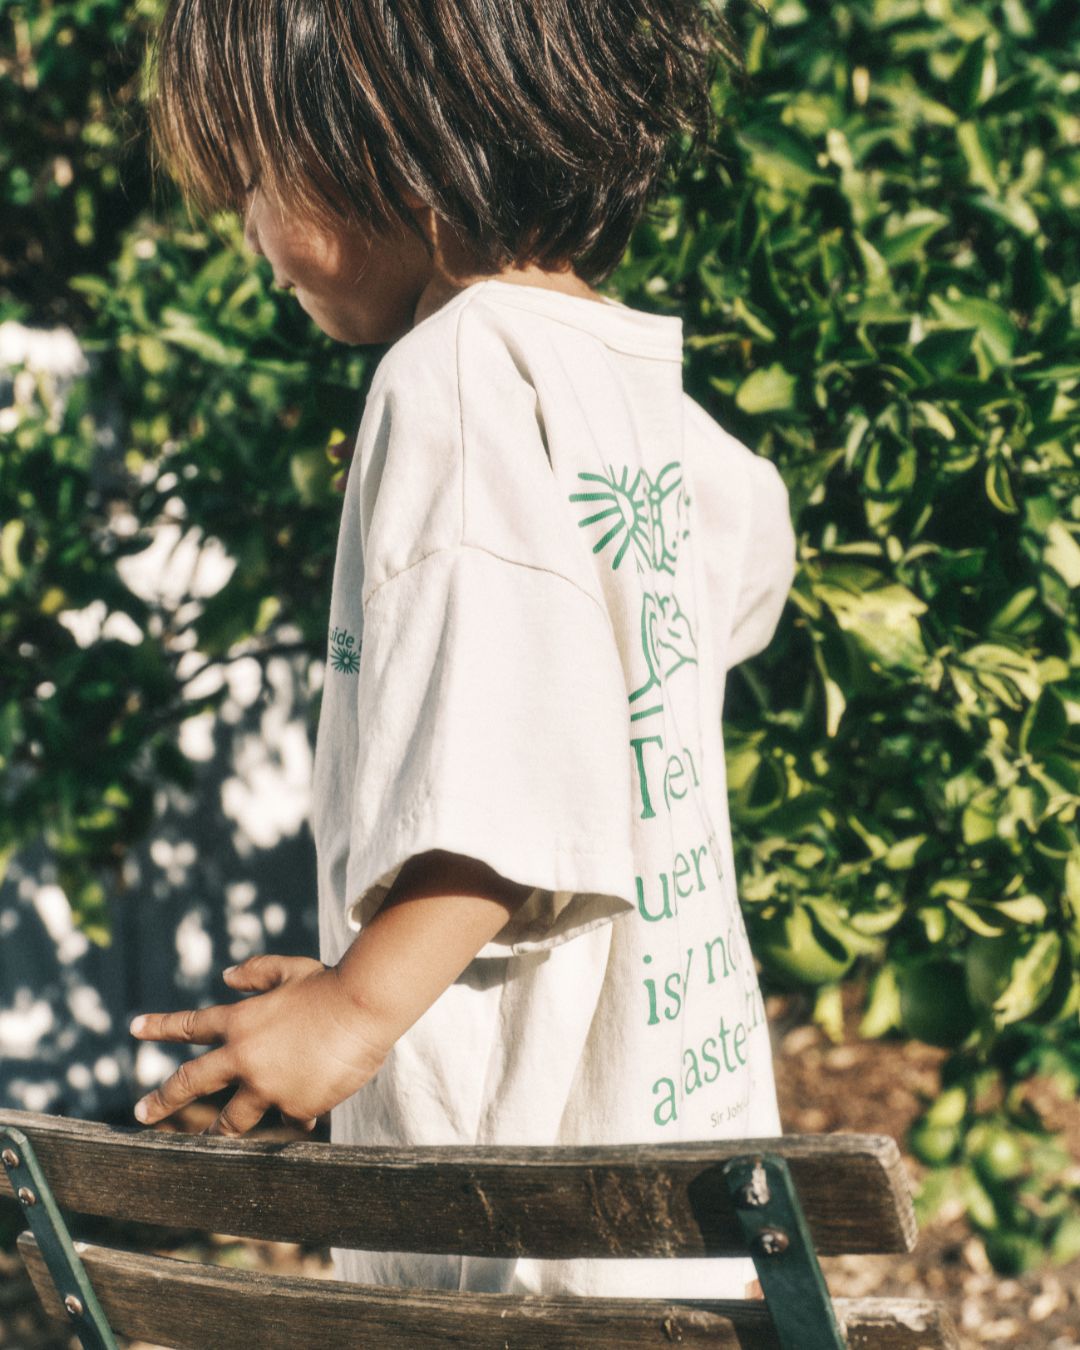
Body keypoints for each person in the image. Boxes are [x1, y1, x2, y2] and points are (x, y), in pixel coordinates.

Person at [129, 0, 797, 1302]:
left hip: (533, 1219)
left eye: (261, 172)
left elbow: (503, 788)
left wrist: (355, 1010)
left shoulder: (452, 374)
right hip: (684, 1146)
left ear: (389, 142)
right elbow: (749, 558)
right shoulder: (631, 382)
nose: (251, 230)